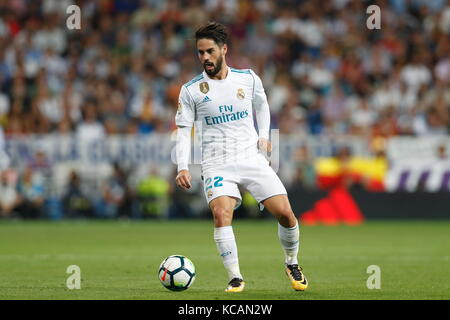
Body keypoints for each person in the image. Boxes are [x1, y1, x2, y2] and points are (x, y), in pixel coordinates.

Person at [174, 22, 307, 293]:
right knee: (222, 214)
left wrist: (265, 135)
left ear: (224, 49)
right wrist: (182, 166)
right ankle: (235, 277)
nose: (205, 58)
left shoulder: (248, 78)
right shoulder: (190, 90)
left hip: (251, 157)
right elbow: (183, 129)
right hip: (217, 163)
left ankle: (291, 262)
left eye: (210, 51)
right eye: (200, 53)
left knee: (286, 214)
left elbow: (262, 105)